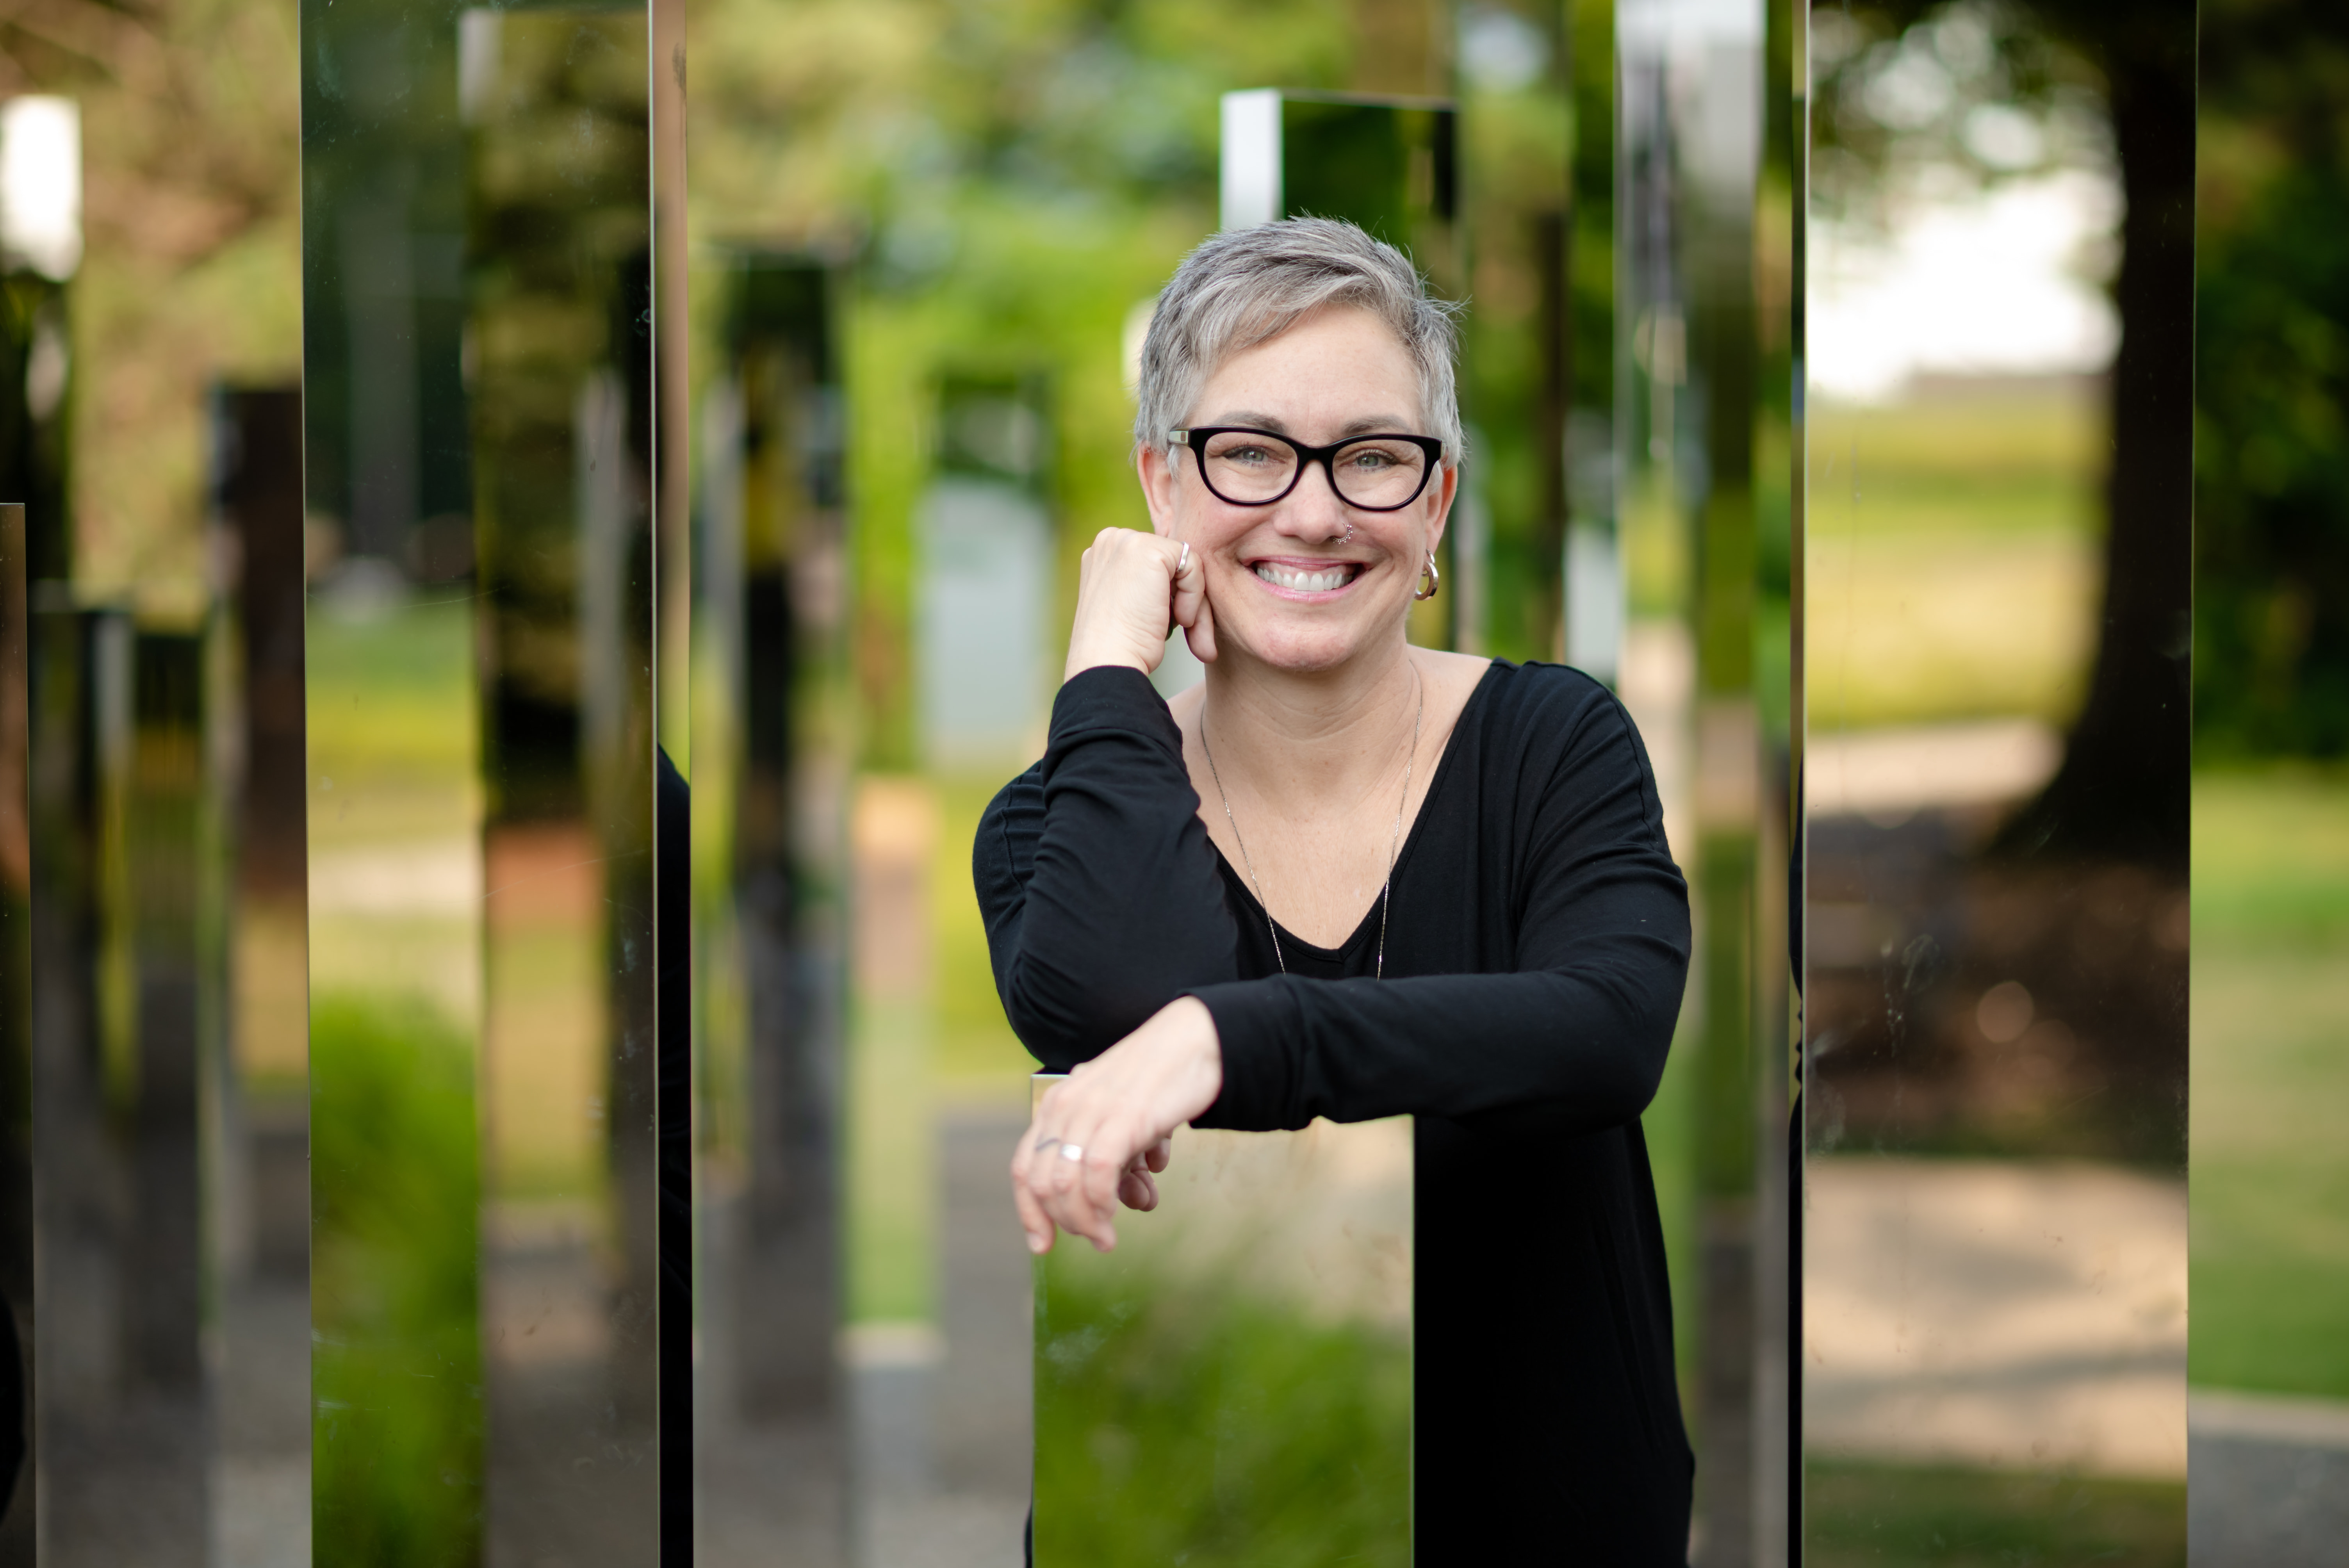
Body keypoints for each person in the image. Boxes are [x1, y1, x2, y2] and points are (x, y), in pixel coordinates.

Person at [975, 217, 1693, 1560]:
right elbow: (1110, 996)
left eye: (1372, 456)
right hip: (1193, 1526)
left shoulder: (1554, 745)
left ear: (1437, 501)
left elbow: (1606, 1032)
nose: (1312, 509)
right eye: (1246, 450)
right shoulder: (1052, 823)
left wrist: (1230, 1036)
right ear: (1162, 483)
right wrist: (1105, 676)